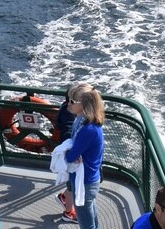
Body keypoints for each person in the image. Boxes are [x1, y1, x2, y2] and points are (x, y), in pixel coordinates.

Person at [63, 86, 105, 229]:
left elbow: (70, 157)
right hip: (90, 179)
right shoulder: (86, 123)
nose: (68, 104)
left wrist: (66, 153)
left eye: (72, 101)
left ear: (83, 105)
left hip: (84, 183)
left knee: (86, 225)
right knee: (92, 220)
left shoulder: (87, 129)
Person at [53, 83, 91, 223]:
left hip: (72, 154)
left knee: (71, 184)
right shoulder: (70, 114)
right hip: (72, 156)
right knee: (72, 185)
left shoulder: (65, 109)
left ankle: (63, 197)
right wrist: (73, 151)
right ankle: (68, 213)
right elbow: (68, 132)